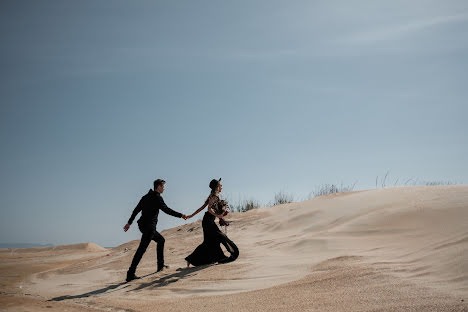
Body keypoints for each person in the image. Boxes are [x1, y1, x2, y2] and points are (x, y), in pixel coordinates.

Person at [123, 179, 187, 282]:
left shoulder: (145, 197)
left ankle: (160, 266)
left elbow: (136, 210)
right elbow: (167, 210)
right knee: (141, 249)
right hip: (149, 227)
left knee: (161, 240)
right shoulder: (157, 198)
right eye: (163, 187)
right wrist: (181, 215)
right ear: (158, 187)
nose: (164, 189)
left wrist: (129, 223)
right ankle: (130, 273)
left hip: (143, 226)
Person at [185, 178, 239, 267]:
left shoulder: (214, 195)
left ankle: (191, 259)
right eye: (220, 185)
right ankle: (229, 254)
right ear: (217, 187)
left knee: (208, 242)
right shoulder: (214, 196)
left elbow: (202, 208)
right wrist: (218, 215)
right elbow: (208, 209)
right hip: (208, 221)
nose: (222, 186)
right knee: (220, 236)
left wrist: (191, 215)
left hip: (208, 220)